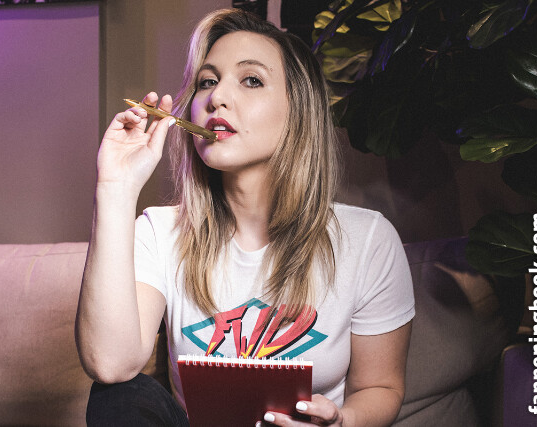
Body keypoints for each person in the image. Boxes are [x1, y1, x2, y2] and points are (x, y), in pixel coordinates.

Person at [75, 8, 415, 427]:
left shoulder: (368, 240)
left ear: (298, 111)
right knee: (121, 396)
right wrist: (115, 188)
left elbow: (381, 387)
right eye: (207, 81)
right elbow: (110, 365)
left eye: (251, 80)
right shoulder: (159, 233)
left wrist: (341, 422)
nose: (216, 97)